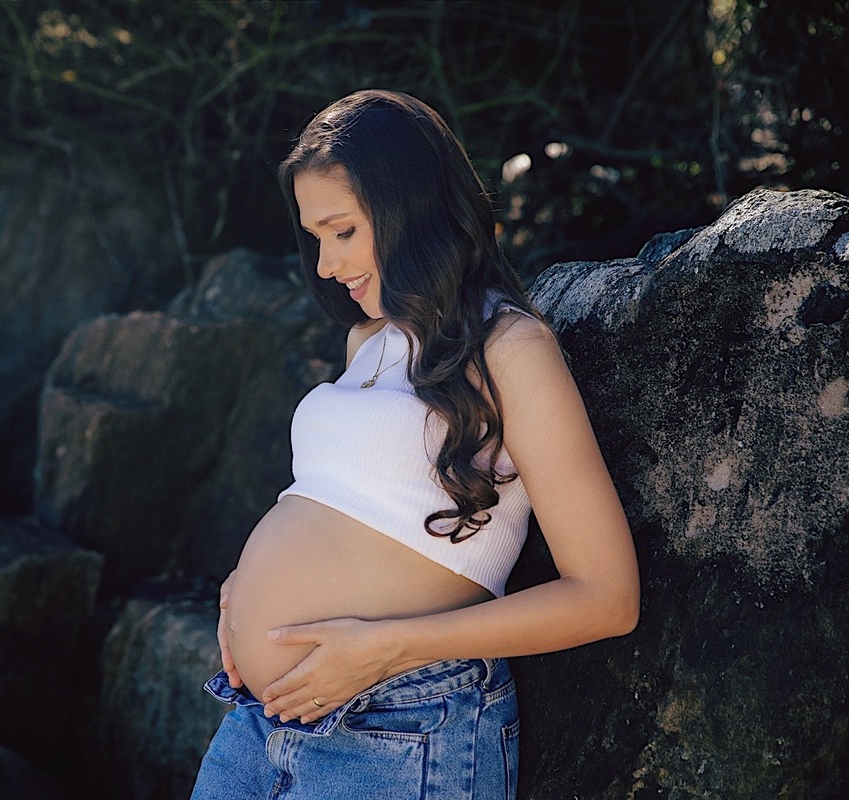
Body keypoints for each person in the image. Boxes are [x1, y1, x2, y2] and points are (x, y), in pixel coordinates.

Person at [189, 89, 640, 800]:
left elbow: (608, 598)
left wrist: (384, 648)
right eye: (315, 238)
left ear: (410, 209)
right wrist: (241, 592)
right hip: (258, 719)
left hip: (402, 725)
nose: (325, 265)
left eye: (342, 231)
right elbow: (339, 502)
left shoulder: (511, 349)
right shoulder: (367, 340)